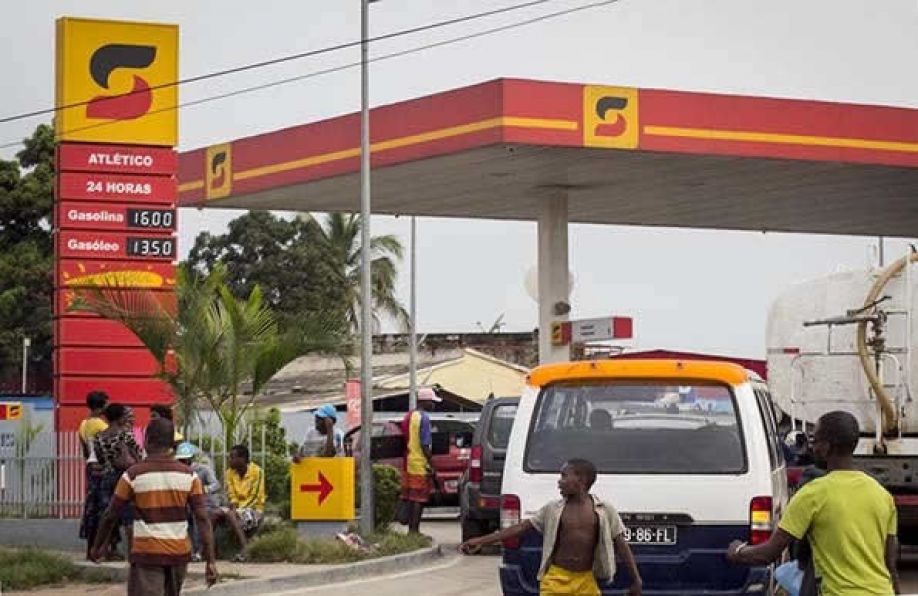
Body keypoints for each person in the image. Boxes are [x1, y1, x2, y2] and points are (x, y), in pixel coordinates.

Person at [727, 410, 900, 595]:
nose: (812, 447)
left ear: (827, 447)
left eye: (815, 441)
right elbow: (890, 565)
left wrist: (738, 551)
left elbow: (769, 553)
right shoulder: (882, 495)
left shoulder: (812, 494)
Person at [460, 459, 642, 596]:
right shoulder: (553, 509)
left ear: (581, 480)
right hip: (556, 579)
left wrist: (636, 579)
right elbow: (520, 528)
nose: (559, 482)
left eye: (564, 476)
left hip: (586, 581)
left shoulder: (604, 510)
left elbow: (621, 545)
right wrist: (481, 540)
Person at [90, 418, 217, 595]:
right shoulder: (190, 476)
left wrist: (97, 546)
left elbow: (111, 514)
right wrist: (210, 561)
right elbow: (202, 518)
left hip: (147, 555)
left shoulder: (133, 474)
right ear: (172, 444)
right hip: (178, 555)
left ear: (147, 440)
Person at [92, 404, 144, 557]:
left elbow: (100, 460)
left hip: (107, 478)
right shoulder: (125, 434)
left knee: (108, 515)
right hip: (125, 477)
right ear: (120, 418)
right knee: (129, 518)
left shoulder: (99, 437)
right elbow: (137, 455)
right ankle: (132, 553)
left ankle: (101, 551)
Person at [212, 444, 265, 561]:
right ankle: (212, 551)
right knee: (213, 514)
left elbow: (255, 496)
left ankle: (246, 549)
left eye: (232, 457)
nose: (229, 460)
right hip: (236, 508)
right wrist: (234, 504)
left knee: (231, 514)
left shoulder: (257, 471)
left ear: (242, 459)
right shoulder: (229, 473)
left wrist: (238, 509)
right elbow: (231, 493)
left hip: (254, 509)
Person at [401, 387, 440, 534]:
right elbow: (425, 444)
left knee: (411, 498)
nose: (433, 405)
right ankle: (414, 530)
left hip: (408, 462)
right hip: (419, 463)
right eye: (432, 402)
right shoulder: (424, 418)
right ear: (425, 402)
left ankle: (411, 530)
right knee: (419, 499)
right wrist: (432, 463)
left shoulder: (408, 416)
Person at [175, 443, 222, 563]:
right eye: (180, 460)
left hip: (207, 503)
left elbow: (216, 485)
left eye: (185, 460)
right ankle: (186, 550)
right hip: (188, 504)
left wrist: (203, 490)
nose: (182, 462)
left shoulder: (203, 470)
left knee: (198, 516)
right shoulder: (180, 473)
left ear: (190, 459)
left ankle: (198, 551)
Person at [78, 391, 110, 559]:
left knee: (91, 508)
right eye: (106, 404)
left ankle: (90, 549)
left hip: (90, 468)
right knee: (104, 509)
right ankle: (102, 549)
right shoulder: (101, 425)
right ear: (101, 406)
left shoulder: (83, 424)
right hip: (102, 469)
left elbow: (85, 451)